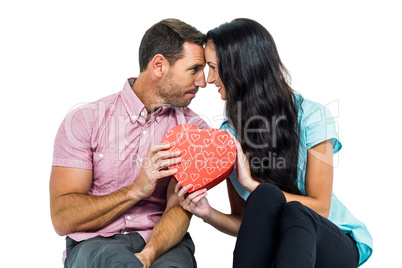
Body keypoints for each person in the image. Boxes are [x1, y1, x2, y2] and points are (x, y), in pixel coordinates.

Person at [175, 18, 373, 267]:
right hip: (284, 251)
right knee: (267, 197)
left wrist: (251, 184)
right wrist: (208, 213)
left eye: (214, 67)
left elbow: (321, 207)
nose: (210, 79)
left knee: (290, 208)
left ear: (241, 68)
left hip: (330, 241)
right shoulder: (229, 138)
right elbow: (247, 224)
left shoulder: (313, 117)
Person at [50, 18, 209, 268]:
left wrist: (149, 254)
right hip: (96, 241)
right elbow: (62, 219)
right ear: (158, 65)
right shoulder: (85, 120)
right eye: (194, 69)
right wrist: (136, 189)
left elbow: (179, 208)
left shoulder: (195, 131)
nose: (203, 81)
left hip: (163, 241)